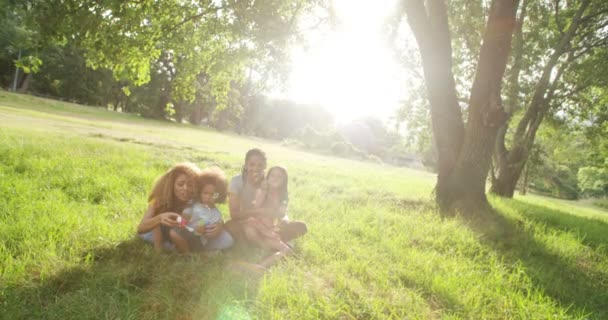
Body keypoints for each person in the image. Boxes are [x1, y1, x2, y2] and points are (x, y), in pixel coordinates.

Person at [225, 149, 307, 270]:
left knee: (301, 227)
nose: (256, 168)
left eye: (260, 165)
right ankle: (265, 248)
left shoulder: (270, 181)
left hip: (269, 226)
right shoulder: (238, 181)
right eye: (252, 164)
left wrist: (284, 220)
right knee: (236, 228)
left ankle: (265, 251)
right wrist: (260, 211)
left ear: (265, 166)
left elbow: (281, 211)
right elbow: (236, 215)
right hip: (250, 222)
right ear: (246, 165)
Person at [137, 163, 225, 252]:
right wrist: (159, 218)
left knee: (227, 239)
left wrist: (220, 225)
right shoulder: (158, 200)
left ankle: (182, 247)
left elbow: (210, 211)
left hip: (187, 233)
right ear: (171, 185)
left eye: (190, 185)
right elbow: (141, 229)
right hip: (161, 234)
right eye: (180, 184)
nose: (185, 188)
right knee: (148, 235)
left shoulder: (195, 199)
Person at [169, 167, 234, 254]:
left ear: (219, 196)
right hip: (186, 231)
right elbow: (185, 215)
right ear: (200, 192)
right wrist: (184, 220)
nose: (208, 197)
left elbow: (210, 229)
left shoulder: (216, 214)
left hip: (199, 239)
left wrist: (210, 230)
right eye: (205, 193)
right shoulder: (194, 203)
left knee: (228, 240)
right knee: (174, 232)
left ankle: (193, 254)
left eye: (213, 194)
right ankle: (190, 252)